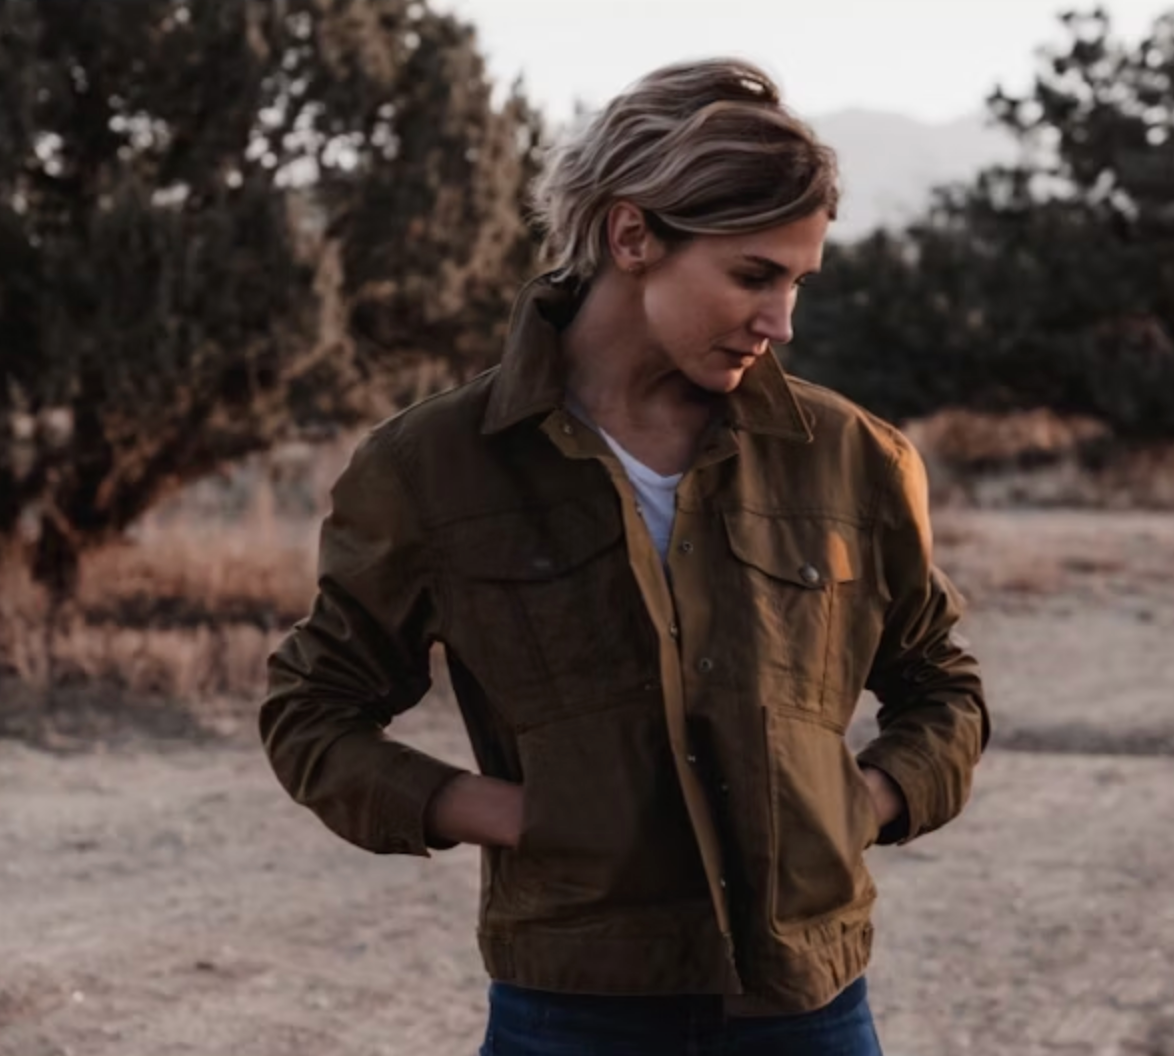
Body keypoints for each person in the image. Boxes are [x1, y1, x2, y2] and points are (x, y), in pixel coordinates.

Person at [260, 57, 989, 1056]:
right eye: (753, 276)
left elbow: (942, 686)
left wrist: (859, 802)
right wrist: (516, 815)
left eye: (798, 282)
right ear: (632, 235)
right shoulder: (433, 466)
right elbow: (312, 712)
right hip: (570, 1009)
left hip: (809, 1009)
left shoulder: (854, 459)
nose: (781, 322)